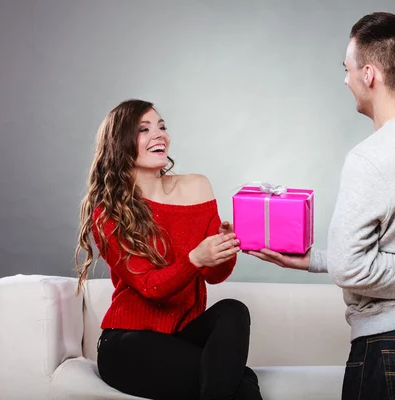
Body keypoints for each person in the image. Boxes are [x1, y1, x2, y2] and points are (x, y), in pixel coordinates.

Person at [247, 12, 395, 400]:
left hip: (390, 350)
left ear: (369, 74)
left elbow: (355, 268)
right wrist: (315, 259)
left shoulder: (370, 156)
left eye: (347, 68)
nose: (346, 80)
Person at [74, 99, 262, 400]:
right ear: (121, 142)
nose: (159, 135)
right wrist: (195, 258)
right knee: (242, 381)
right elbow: (151, 286)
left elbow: (214, 276)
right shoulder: (109, 212)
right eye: (144, 129)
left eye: (162, 127)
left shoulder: (197, 186)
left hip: (181, 339)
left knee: (233, 312)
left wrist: (223, 250)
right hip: (127, 344)